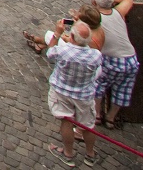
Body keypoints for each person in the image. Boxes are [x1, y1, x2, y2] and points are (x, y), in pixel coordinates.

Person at [43, 17, 101, 169]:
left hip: (62, 91)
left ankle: (68, 153)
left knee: (66, 121)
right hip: (84, 95)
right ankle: (90, 155)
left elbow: (49, 53)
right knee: (88, 125)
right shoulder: (96, 56)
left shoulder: (63, 51)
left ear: (72, 37)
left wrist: (57, 33)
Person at [90, 0, 138, 130]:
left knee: (99, 85)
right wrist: (112, 0)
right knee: (123, 89)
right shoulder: (118, 12)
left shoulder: (95, 19)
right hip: (131, 59)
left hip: (111, 58)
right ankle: (111, 117)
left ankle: (97, 114)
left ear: (93, 2)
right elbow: (128, 0)